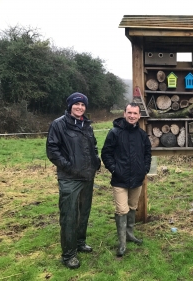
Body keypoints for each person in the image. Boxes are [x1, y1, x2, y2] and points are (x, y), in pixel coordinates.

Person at [46, 92, 101, 269]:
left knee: (83, 213)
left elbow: (93, 146)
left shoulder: (87, 125)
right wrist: (68, 166)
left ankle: (80, 242)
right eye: (76, 104)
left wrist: (95, 162)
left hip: (87, 176)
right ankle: (69, 255)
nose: (80, 107)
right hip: (69, 178)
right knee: (69, 216)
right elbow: (52, 150)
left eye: (83, 105)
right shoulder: (59, 124)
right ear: (70, 106)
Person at [101, 102, 152, 257]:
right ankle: (122, 243)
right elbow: (106, 153)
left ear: (139, 116)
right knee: (122, 210)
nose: (132, 116)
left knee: (132, 207)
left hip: (137, 179)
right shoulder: (114, 132)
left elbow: (147, 154)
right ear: (124, 113)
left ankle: (130, 234)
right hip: (120, 180)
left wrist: (144, 169)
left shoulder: (142, 135)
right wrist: (114, 169)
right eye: (129, 113)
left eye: (135, 113)